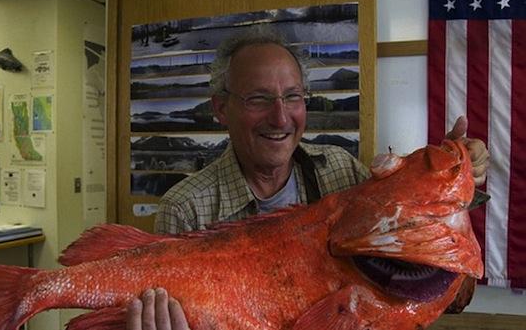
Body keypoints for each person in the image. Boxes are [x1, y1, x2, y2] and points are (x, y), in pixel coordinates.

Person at [125, 25, 490, 329]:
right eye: (258, 99)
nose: (281, 118)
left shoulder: (342, 170)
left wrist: (456, 186)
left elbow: (409, 250)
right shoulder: (184, 207)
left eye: (293, 97)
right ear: (221, 107)